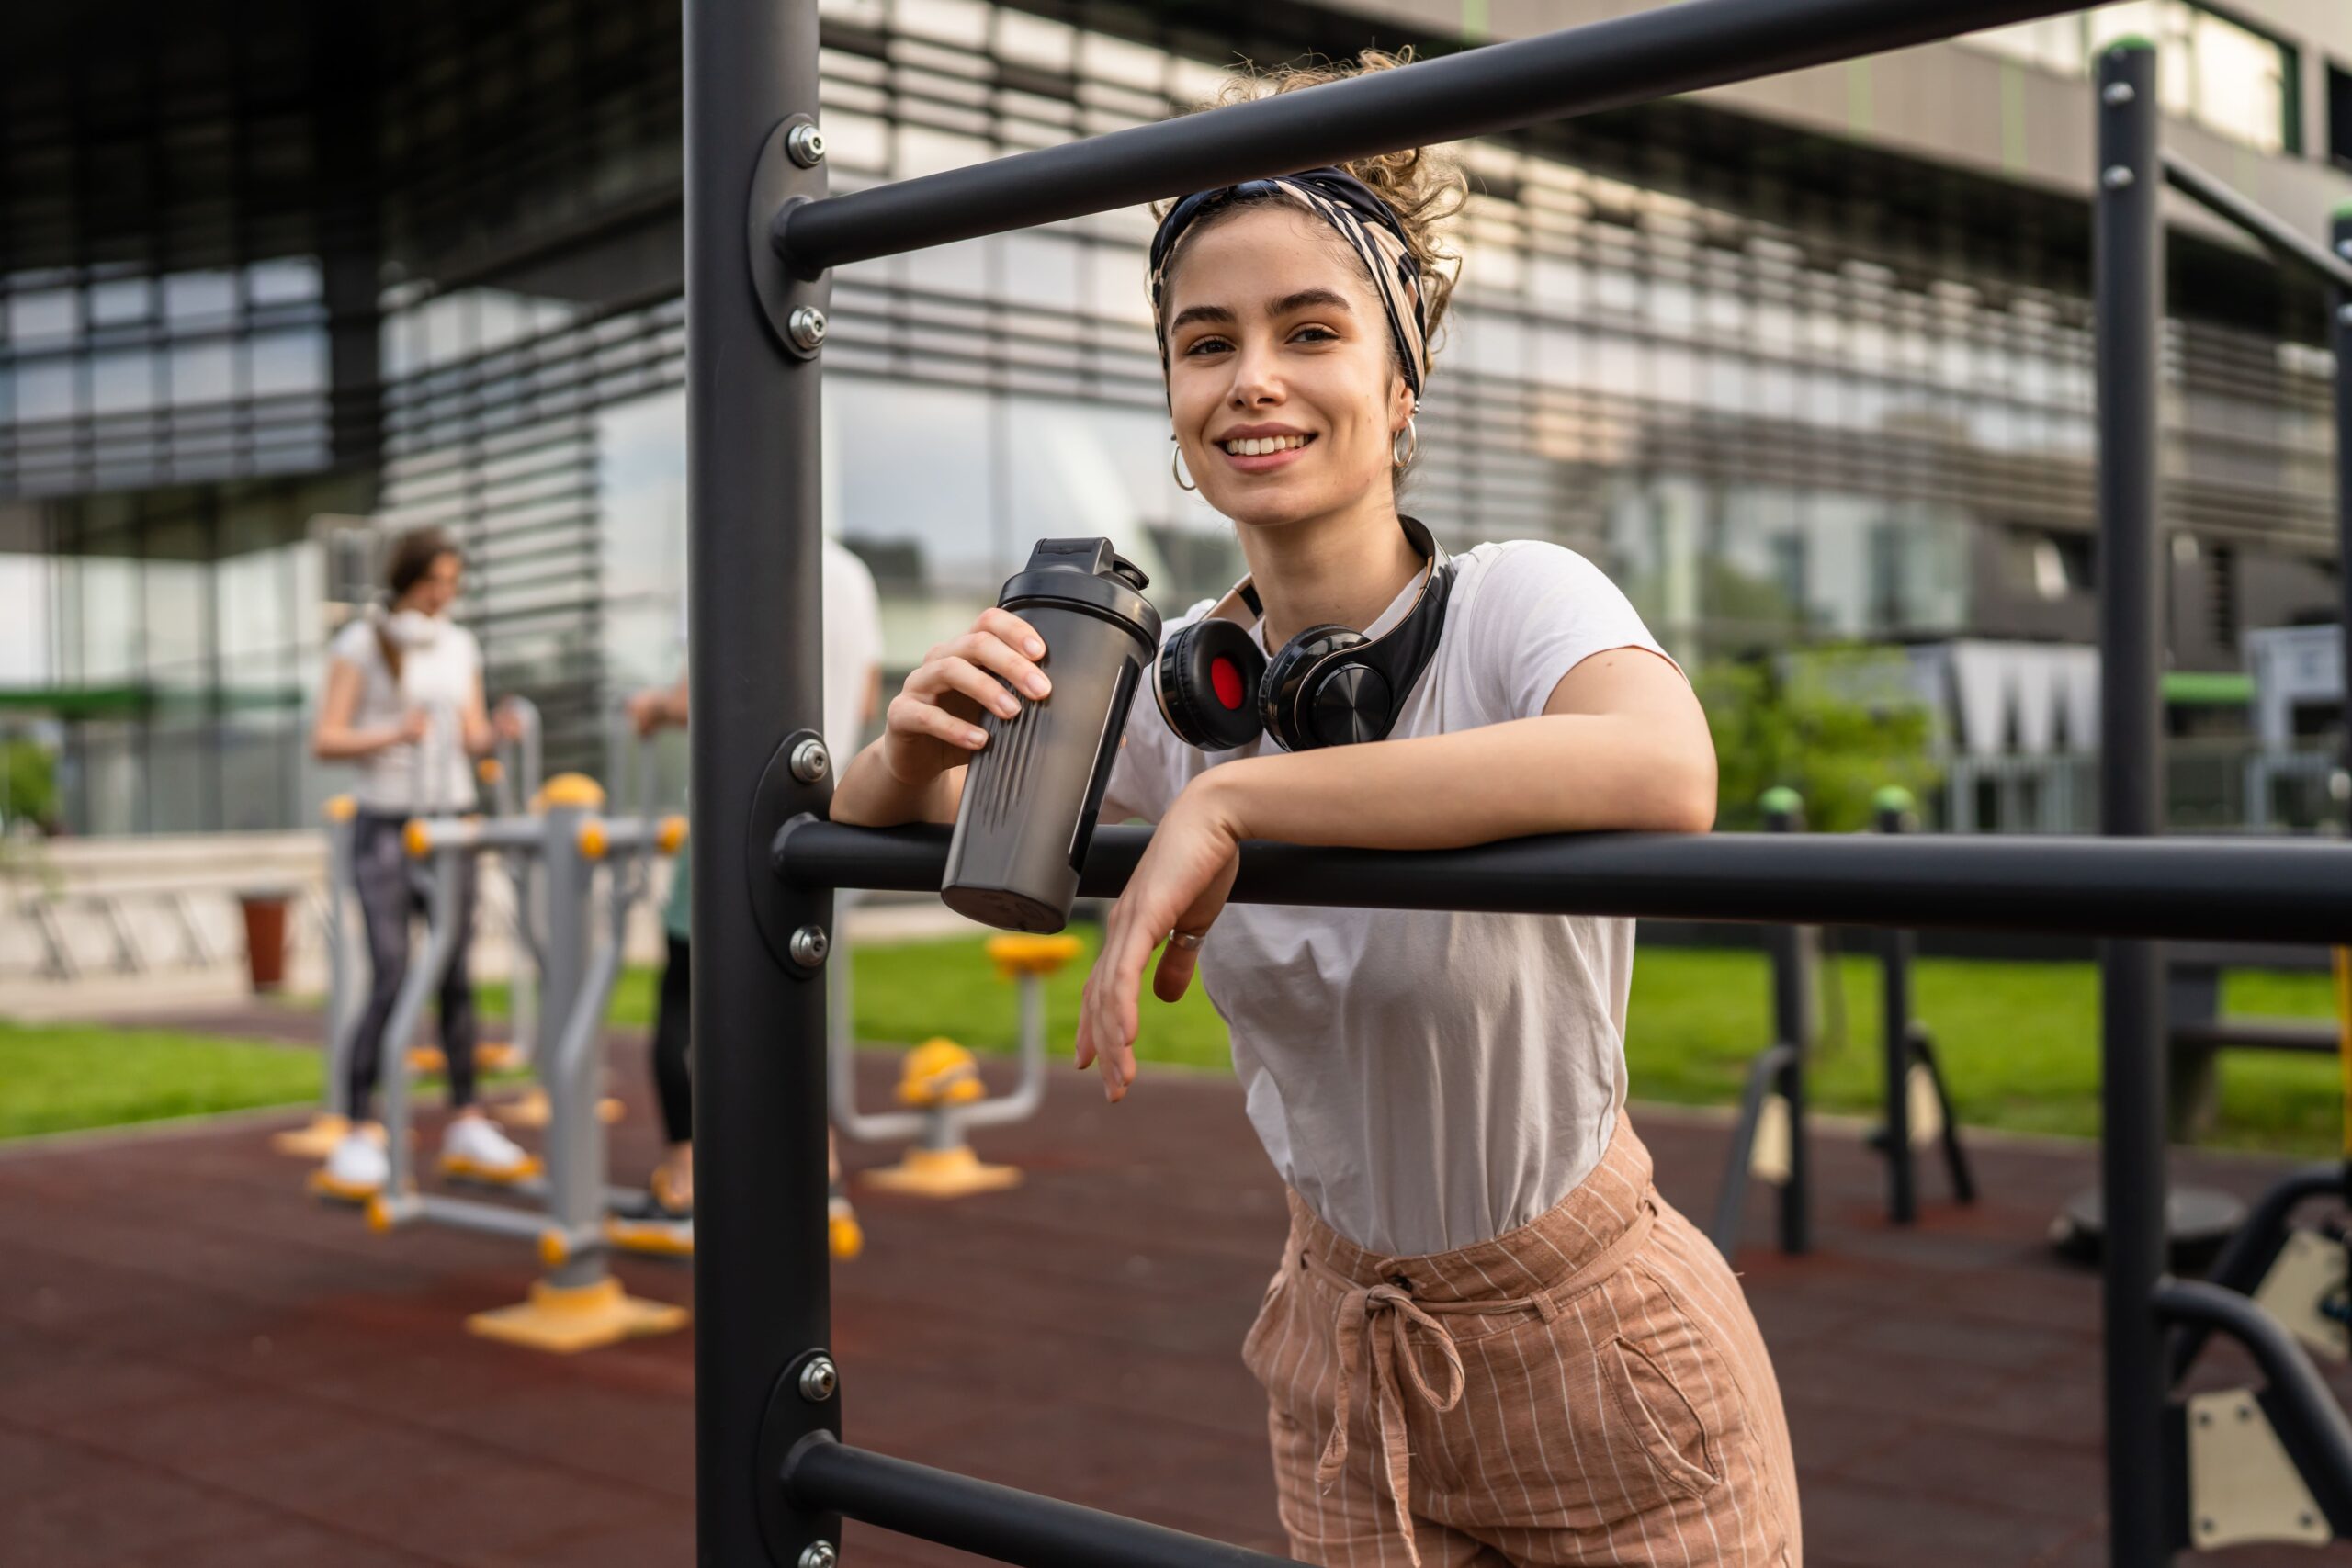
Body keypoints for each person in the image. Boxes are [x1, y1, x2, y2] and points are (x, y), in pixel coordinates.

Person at [829, 51, 1799, 1568]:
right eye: (1205, 342)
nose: (1254, 377)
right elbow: (948, 843)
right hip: (1341, 1357)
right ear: (1172, 402)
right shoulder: (1181, 695)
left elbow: (1665, 768)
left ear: (1401, 386)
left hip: (1610, 1357)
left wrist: (1247, 808)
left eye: (1312, 330)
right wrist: (902, 744)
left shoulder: (1515, 602)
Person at [628, 535, 883, 1220]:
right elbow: (862, 687)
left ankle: (684, 1171)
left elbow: (701, 694)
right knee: (796, 981)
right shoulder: (852, 574)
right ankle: (818, 1161)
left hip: (733, 810)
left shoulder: (727, 556)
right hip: (829, 805)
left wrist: (653, 708)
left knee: (682, 989)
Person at [311, 526, 531, 1196]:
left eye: (452, 582)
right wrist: (394, 733)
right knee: (391, 972)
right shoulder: (361, 643)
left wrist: (496, 730)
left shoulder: (460, 643)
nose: (445, 593)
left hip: (450, 820)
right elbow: (326, 738)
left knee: (455, 975)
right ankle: (355, 1126)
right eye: (435, 580)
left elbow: (470, 737)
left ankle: (465, 1117)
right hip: (385, 824)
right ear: (407, 578)